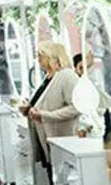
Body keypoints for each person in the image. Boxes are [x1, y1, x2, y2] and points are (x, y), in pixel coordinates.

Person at [28, 41, 80, 169]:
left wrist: (46, 115)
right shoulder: (48, 77)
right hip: (45, 135)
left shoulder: (67, 76)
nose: (38, 59)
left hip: (61, 137)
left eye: (41, 56)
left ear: (52, 56)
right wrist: (29, 107)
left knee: (60, 178)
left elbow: (76, 107)